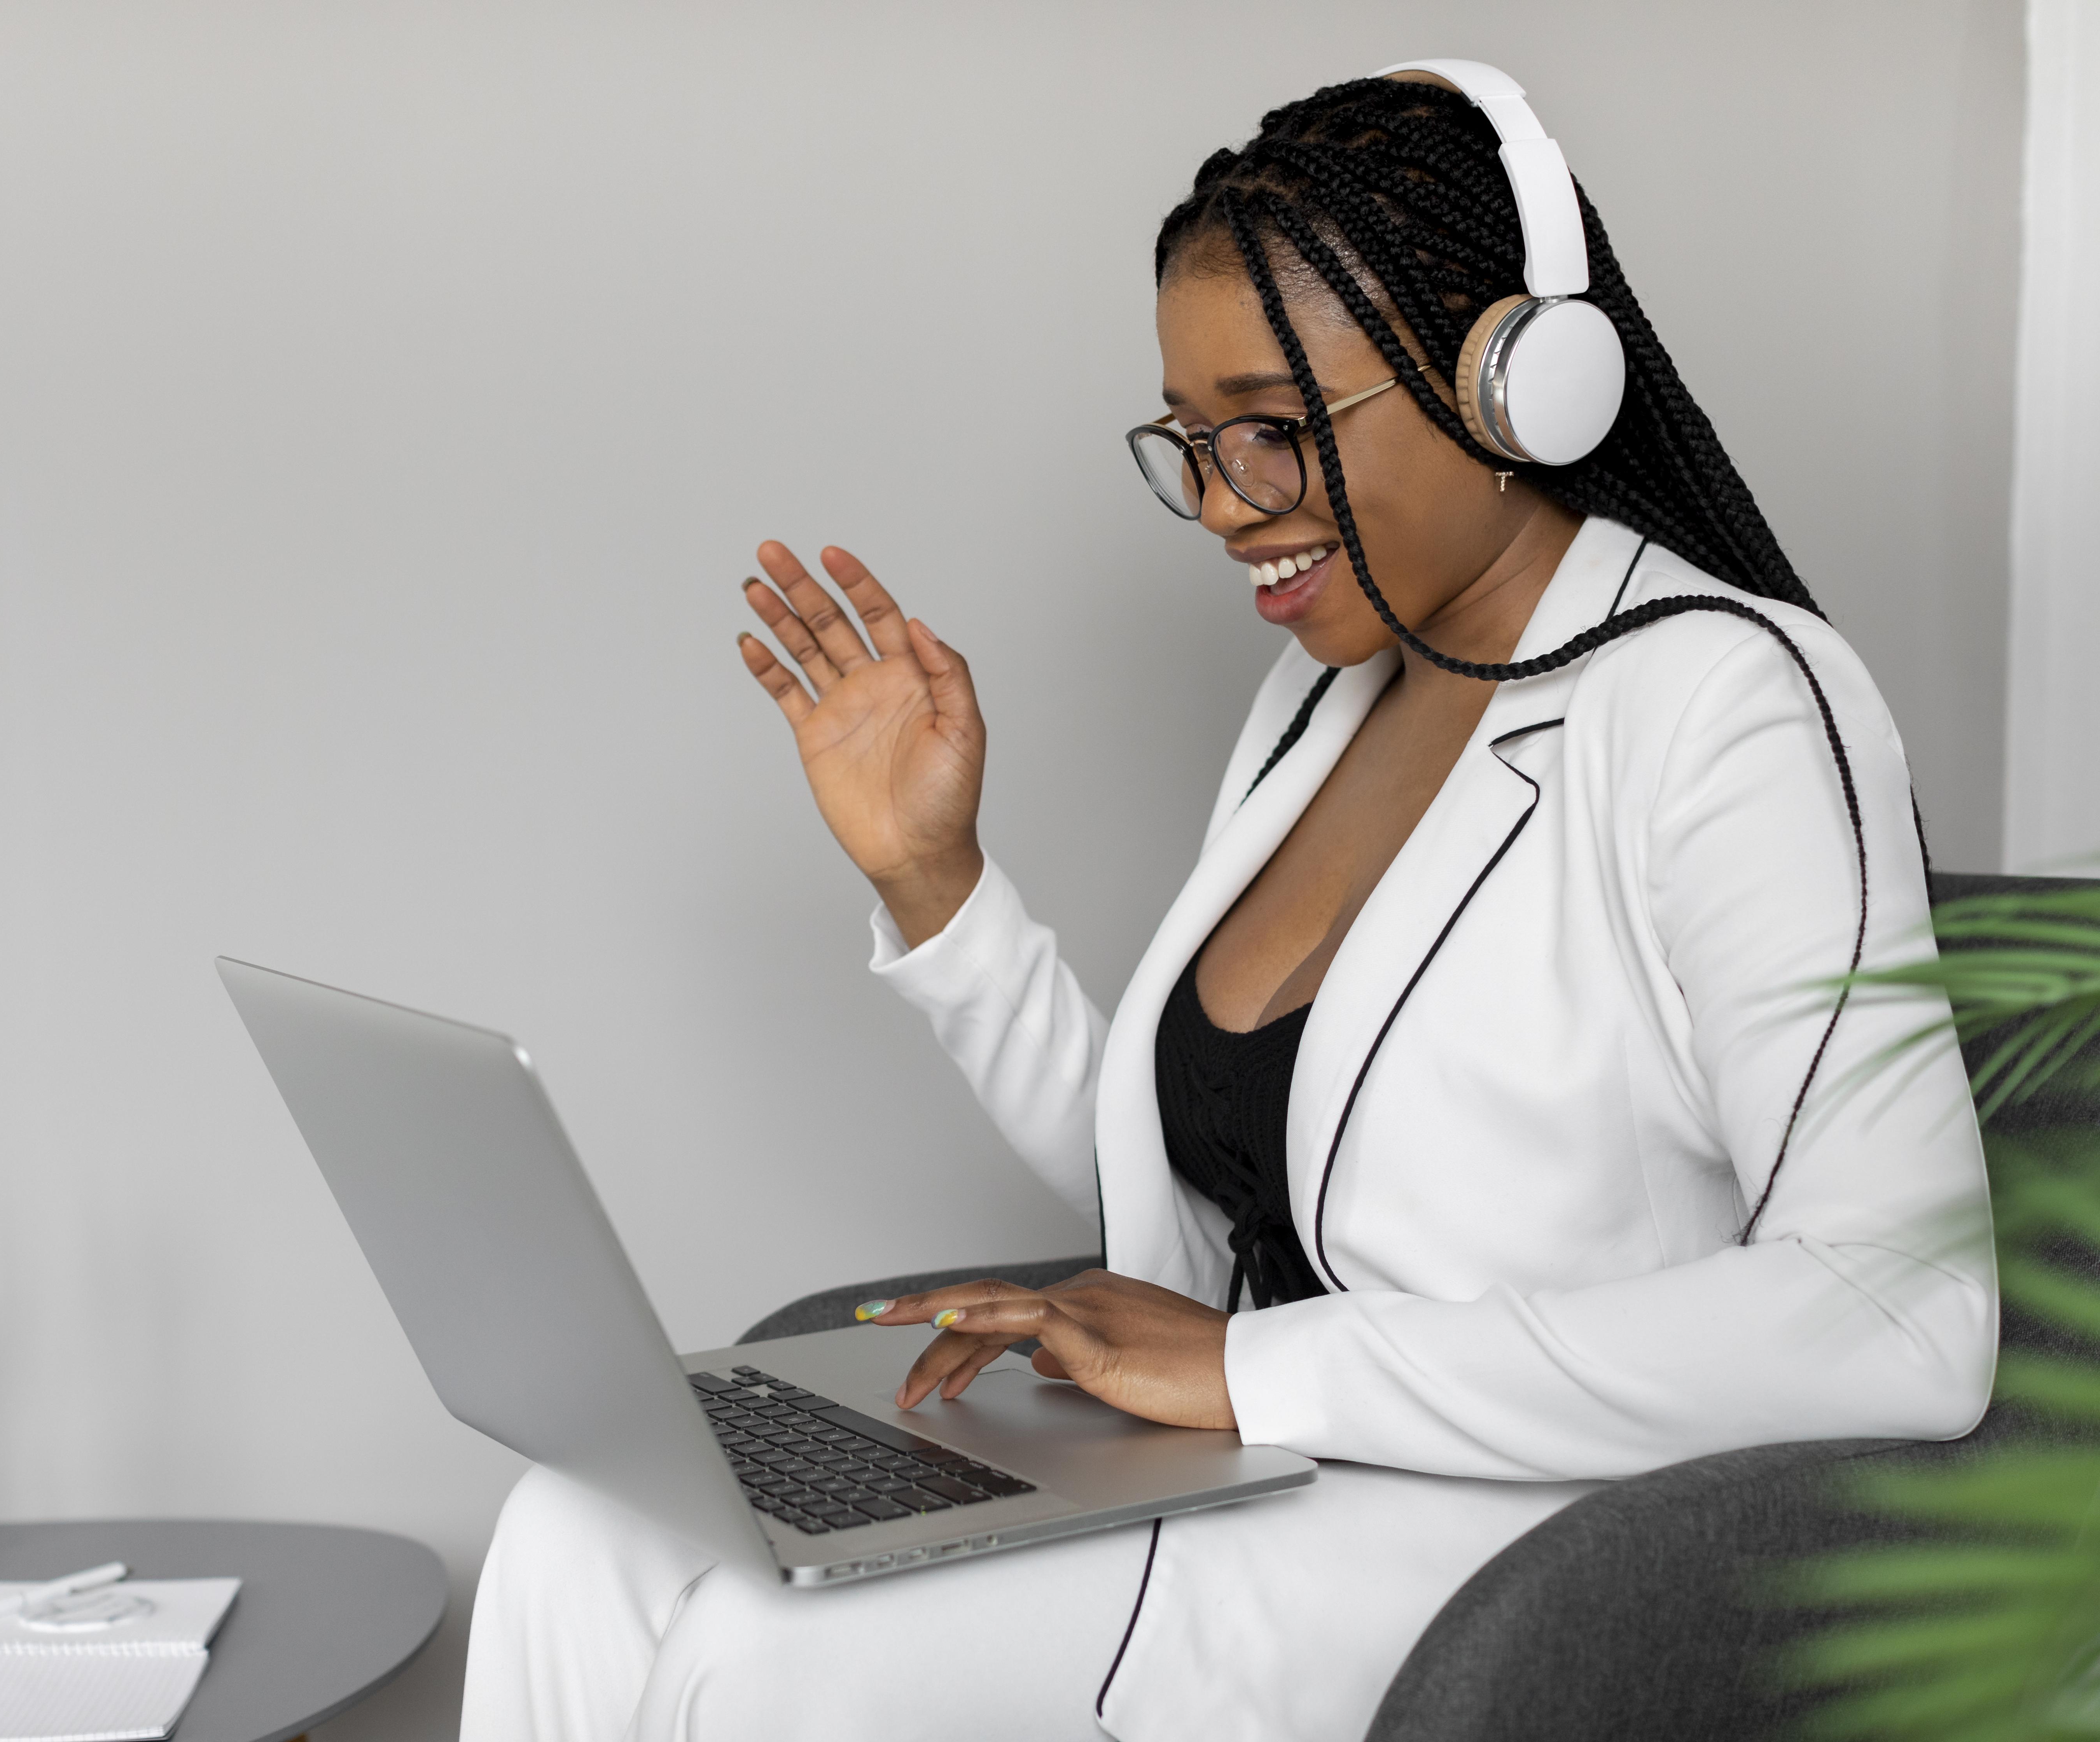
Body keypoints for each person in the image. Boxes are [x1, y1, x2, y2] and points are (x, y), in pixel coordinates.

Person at [459, 70, 1993, 1742]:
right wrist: (934, 881)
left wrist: (1257, 1372)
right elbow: (1216, 1187)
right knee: (576, 1528)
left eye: (1276, 427)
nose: (1223, 499)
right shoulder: (1324, 701)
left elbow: (1900, 1314)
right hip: (1251, 1462)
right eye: (1192, 440)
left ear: (1515, 382)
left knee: (766, 1667)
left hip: (1501, 1528)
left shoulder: (1727, 704)